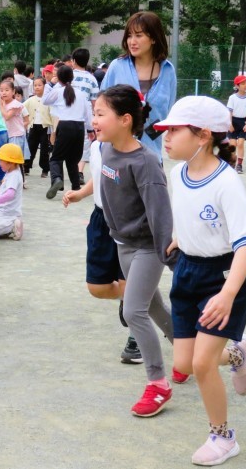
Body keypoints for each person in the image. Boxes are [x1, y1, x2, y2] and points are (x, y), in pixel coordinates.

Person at [154, 96, 246, 465]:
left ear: (202, 136)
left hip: (225, 276)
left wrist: (228, 294)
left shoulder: (227, 182)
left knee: (202, 364)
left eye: (174, 130)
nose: (166, 137)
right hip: (188, 270)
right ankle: (238, 352)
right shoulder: (177, 174)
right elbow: (191, 216)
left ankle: (223, 437)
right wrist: (180, 238)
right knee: (185, 363)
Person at [96, 84, 177, 417]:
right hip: (123, 244)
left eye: (101, 114)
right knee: (153, 306)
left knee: (133, 312)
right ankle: (186, 351)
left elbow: (160, 213)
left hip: (147, 247)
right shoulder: (106, 149)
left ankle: (158, 383)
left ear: (125, 119)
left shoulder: (146, 161)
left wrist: (171, 257)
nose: (94, 120)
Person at [62, 139, 144, 364]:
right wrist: (81, 193)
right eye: (94, 119)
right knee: (97, 287)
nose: (95, 123)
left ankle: (136, 339)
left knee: (129, 284)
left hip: (129, 223)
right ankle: (132, 299)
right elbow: (100, 176)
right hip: (101, 220)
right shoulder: (97, 147)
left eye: (100, 118)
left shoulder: (138, 154)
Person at [101, 11, 177, 160]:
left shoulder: (168, 70)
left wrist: (147, 136)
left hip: (151, 156)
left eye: (139, 35)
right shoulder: (117, 66)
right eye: (129, 35)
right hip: (116, 155)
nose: (132, 41)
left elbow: (167, 113)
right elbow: (101, 106)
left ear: (153, 38)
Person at [42, 65, 93, 198]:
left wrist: (50, 84)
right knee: (72, 160)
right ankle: (75, 187)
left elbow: (45, 100)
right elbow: (88, 113)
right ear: (72, 77)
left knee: (55, 158)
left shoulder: (58, 91)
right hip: (79, 127)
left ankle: (57, 179)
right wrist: (90, 129)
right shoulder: (81, 94)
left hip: (65, 126)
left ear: (58, 78)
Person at [70, 48, 99, 185]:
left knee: (68, 145)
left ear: (74, 61)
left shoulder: (69, 75)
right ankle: (79, 172)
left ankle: (69, 171)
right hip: (84, 118)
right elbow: (94, 102)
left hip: (67, 116)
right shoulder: (92, 79)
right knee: (84, 145)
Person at [0, 143, 24, 241]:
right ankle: (6, 228)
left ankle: (11, 226)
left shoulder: (14, 175)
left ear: (10, 162)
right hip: (1, 212)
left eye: (1, 160)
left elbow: (9, 195)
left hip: (8, 215)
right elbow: (2, 193)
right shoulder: (10, 172)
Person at [24, 77, 52, 177]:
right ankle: (26, 167)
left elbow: (53, 114)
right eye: (35, 85)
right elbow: (22, 108)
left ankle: (45, 169)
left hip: (45, 127)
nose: (37, 87)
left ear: (44, 86)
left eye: (39, 85)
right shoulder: (31, 100)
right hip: (33, 126)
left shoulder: (48, 100)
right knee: (30, 147)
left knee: (44, 150)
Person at [227, 75, 246, 174]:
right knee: (233, 144)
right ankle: (232, 163)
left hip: (243, 122)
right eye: (243, 83)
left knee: (241, 143)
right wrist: (230, 124)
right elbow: (229, 112)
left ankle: (239, 165)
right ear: (237, 86)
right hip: (233, 122)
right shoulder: (232, 98)